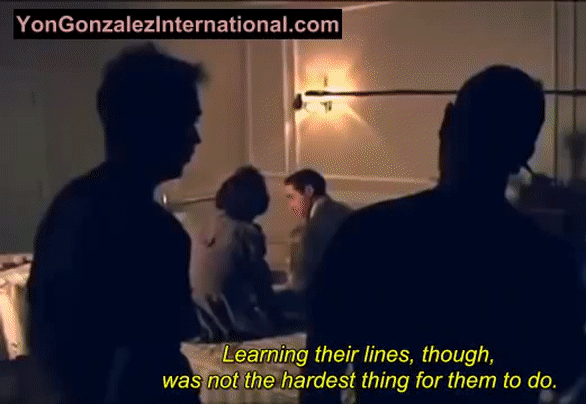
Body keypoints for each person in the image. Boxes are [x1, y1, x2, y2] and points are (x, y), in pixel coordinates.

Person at [301, 66, 586, 404]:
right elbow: (567, 366)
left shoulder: (364, 235)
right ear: (524, 154)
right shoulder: (545, 260)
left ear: (447, 123)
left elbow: (320, 377)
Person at [26, 43, 204, 404]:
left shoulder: (68, 204)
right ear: (150, 126)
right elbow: (153, 359)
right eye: (186, 122)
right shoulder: (153, 232)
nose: (196, 138)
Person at [189, 166, 285, 341]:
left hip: (200, 319)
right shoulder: (247, 233)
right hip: (232, 322)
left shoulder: (205, 226)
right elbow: (262, 288)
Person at [283, 169, 352, 297]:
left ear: (309, 191)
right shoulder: (342, 211)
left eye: (292, 197)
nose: (290, 205)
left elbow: (302, 282)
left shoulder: (315, 226)